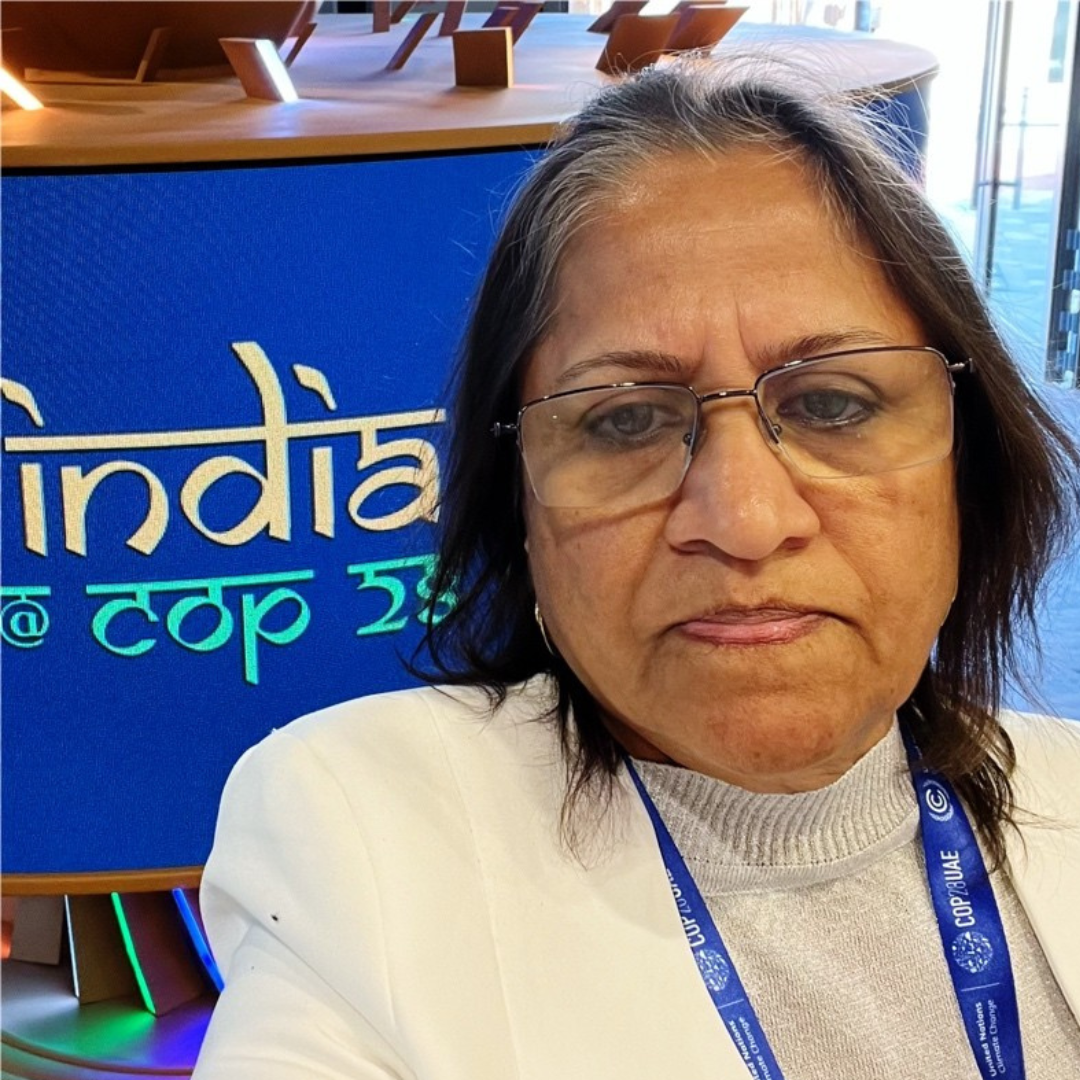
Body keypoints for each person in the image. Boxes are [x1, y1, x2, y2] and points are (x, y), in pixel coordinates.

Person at [193, 60, 1080, 1079]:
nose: (745, 522)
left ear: (971, 470)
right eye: (626, 422)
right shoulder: (361, 841)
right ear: (520, 506)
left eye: (832, 404)